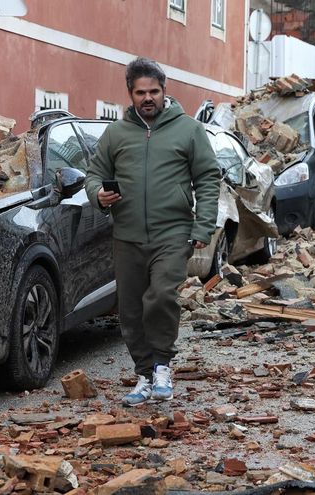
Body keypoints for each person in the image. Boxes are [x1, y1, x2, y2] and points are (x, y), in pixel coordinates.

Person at [85, 57, 220, 406]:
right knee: (130, 310)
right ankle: (144, 376)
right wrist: (99, 195)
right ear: (130, 94)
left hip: (173, 233)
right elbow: (93, 174)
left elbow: (207, 178)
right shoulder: (116, 134)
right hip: (126, 235)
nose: (148, 98)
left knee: (160, 296)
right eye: (140, 92)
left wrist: (203, 224)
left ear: (165, 91)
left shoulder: (189, 130)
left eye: (154, 91)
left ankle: (162, 365)